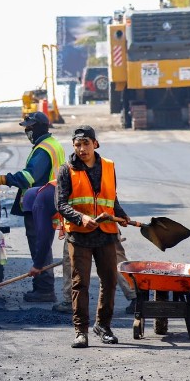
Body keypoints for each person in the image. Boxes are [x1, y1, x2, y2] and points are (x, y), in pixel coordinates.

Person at [56, 125, 131, 348]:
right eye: (77, 144)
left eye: (86, 143)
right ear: (73, 146)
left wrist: (121, 214)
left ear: (95, 144)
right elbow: (60, 204)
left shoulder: (108, 166)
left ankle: (103, 326)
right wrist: (80, 218)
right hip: (79, 236)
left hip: (106, 234)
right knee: (80, 284)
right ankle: (81, 331)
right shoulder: (66, 170)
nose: (82, 149)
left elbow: (112, 198)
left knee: (109, 282)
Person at [0, 112, 64, 303]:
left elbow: (28, 177)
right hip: (46, 202)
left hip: (40, 206)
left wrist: (4, 179)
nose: (27, 131)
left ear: (37, 128)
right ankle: (42, 288)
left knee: (40, 247)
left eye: (29, 128)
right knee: (42, 246)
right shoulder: (50, 145)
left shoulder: (43, 149)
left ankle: (44, 290)